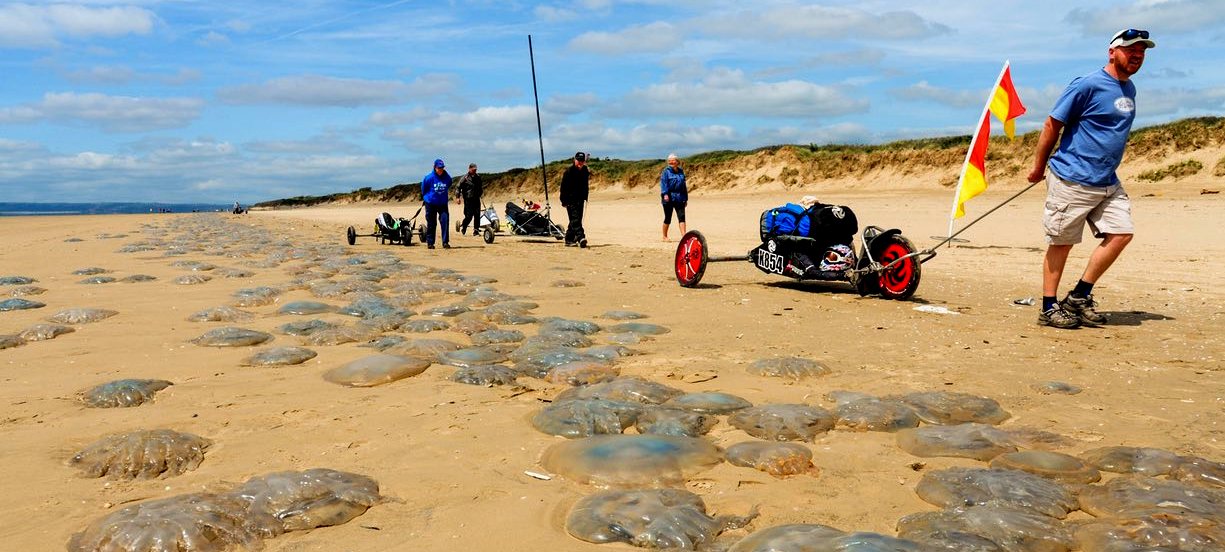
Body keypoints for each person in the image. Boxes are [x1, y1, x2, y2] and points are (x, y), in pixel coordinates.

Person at [1027, 28, 1154, 329]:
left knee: (1122, 233)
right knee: (1062, 243)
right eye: (1130, 49)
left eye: (1142, 51)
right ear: (1112, 52)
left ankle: (1078, 297)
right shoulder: (1087, 84)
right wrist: (1037, 167)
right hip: (1071, 178)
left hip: (1107, 181)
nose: (1137, 54)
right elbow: (1051, 124)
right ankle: (1048, 308)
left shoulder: (1130, 89)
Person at [560, 151, 589, 247]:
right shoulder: (569, 172)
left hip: (580, 199)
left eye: (582, 161)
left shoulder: (585, 170)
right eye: (578, 161)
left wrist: (585, 196)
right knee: (575, 220)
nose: (580, 163)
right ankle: (581, 237)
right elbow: (563, 188)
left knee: (576, 220)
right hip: (570, 200)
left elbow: (585, 185)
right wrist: (563, 201)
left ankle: (569, 239)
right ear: (574, 160)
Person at [421, 158, 452, 249]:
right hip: (431, 203)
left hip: (442, 203)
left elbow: (449, 184)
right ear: (435, 167)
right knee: (431, 223)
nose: (441, 170)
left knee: (445, 221)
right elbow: (424, 189)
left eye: (442, 168)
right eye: (439, 168)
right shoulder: (429, 178)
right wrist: (426, 198)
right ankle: (430, 243)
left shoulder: (447, 177)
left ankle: (445, 242)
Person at [659, 153, 688, 241]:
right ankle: (664, 236)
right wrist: (665, 194)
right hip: (669, 197)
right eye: (669, 161)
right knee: (668, 218)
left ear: (677, 162)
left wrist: (685, 198)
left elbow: (684, 186)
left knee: (682, 217)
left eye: (673, 160)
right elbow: (664, 184)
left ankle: (684, 236)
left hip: (680, 197)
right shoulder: (665, 172)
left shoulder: (681, 171)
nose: (671, 162)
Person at [456, 163, 484, 236]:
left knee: (477, 215)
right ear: (469, 169)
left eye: (475, 170)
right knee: (469, 216)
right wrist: (458, 197)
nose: (475, 171)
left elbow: (480, 187)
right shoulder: (465, 178)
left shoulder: (478, 177)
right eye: (473, 169)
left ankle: (476, 230)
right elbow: (458, 187)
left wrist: (480, 193)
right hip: (468, 199)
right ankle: (464, 226)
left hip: (476, 198)